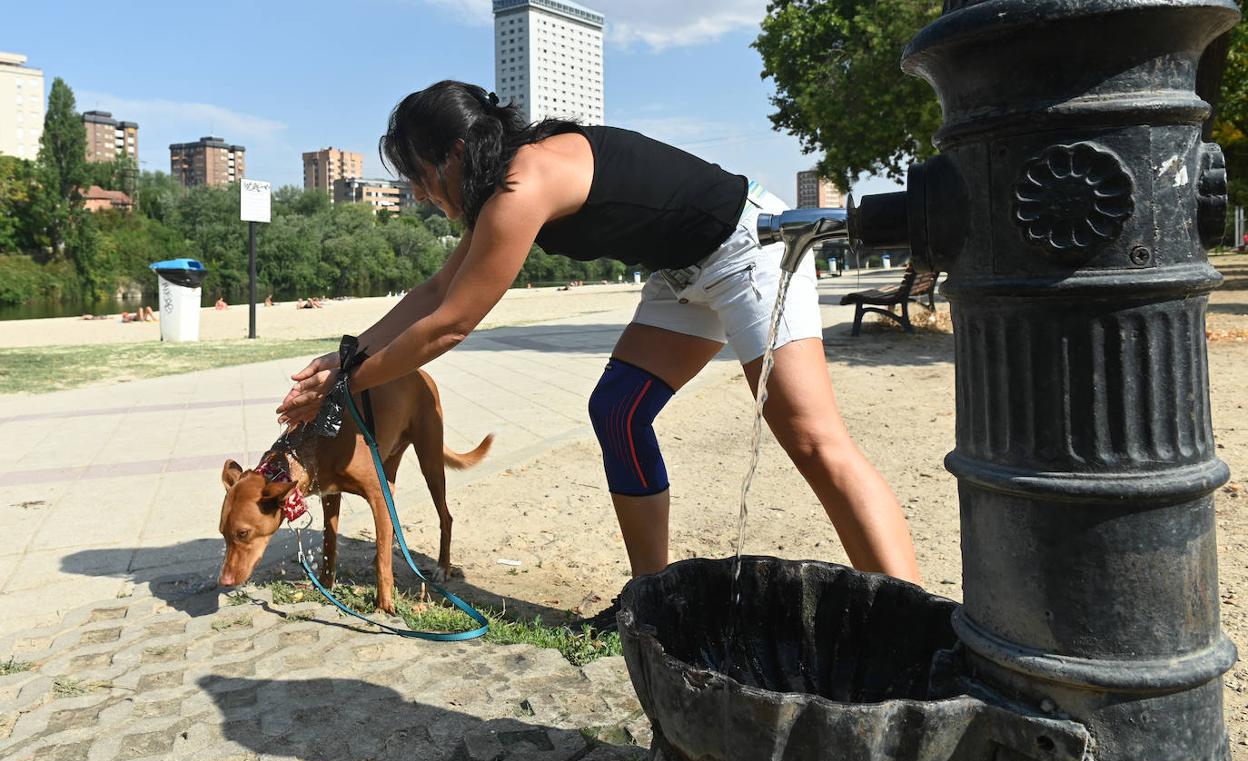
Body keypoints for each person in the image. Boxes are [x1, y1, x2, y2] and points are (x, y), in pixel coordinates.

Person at [276, 81, 920, 625]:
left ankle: (914, 622)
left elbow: (451, 324)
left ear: (457, 152)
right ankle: (653, 602)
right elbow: (438, 289)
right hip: (684, 270)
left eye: (419, 174)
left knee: (811, 437)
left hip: (745, 246)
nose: (418, 192)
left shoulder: (521, 184)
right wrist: (349, 356)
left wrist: (343, 384)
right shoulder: (497, 187)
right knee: (618, 410)